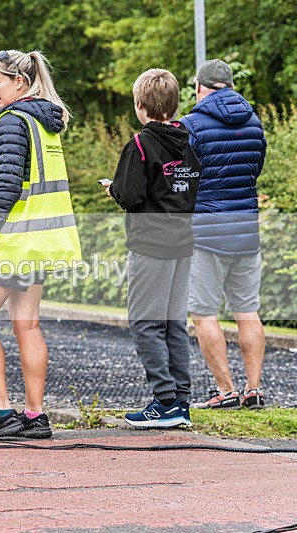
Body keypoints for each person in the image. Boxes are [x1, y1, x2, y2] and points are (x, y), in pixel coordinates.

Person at [0, 50, 81, 439]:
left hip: (9, 243)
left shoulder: (11, 120)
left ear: (19, 83)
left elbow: (9, 187)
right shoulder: (45, 119)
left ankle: (0, 411)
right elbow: (22, 173)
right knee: (27, 325)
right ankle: (34, 416)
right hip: (38, 242)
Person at [106, 69, 200, 428]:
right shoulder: (187, 143)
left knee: (145, 323)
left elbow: (129, 194)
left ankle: (163, 400)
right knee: (174, 323)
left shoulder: (140, 144)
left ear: (140, 105)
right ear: (175, 104)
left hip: (151, 244)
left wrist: (112, 188)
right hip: (182, 243)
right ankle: (181, 401)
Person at [180, 59, 267, 410]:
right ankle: (254, 389)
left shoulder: (190, 125)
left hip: (206, 232)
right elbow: (254, 171)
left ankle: (226, 390)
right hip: (246, 229)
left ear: (200, 88)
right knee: (247, 310)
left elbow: (182, 179)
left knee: (203, 313)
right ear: (230, 86)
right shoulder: (255, 122)